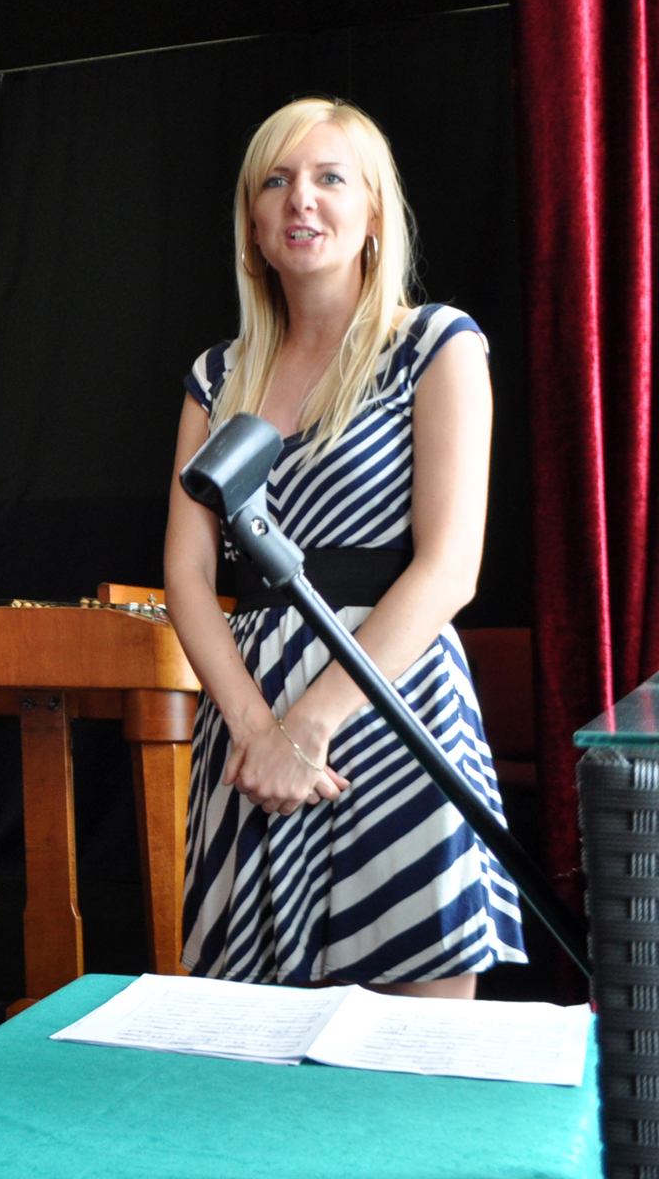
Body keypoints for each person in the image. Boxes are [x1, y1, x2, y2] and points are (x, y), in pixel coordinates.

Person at [162, 98, 524, 997]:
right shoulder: (216, 376)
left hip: (392, 704)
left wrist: (310, 727)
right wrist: (258, 731)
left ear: (373, 213)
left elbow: (450, 567)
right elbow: (187, 572)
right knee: (251, 1042)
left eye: (330, 177)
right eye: (276, 181)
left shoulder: (436, 344)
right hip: (247, 717)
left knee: (414, 1046)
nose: (301, 199)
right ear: (253, 223)